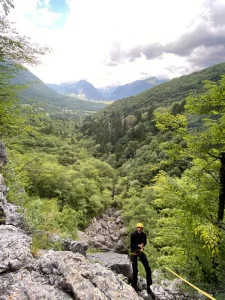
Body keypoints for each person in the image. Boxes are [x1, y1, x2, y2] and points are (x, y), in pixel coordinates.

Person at [130, 223, 155, 298]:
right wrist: (138, 246)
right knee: (135, 271)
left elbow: (145, 242)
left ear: (142, 229)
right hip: (134, 252)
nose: (139, 229)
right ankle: (133, 286)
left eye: (141, 228)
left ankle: (149, 286)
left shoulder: (144, 235)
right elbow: (131, 245)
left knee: (148, 268)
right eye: (138, 228)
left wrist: (142, 245)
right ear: (136, 228)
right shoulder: (133, 234)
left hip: (141, 252)